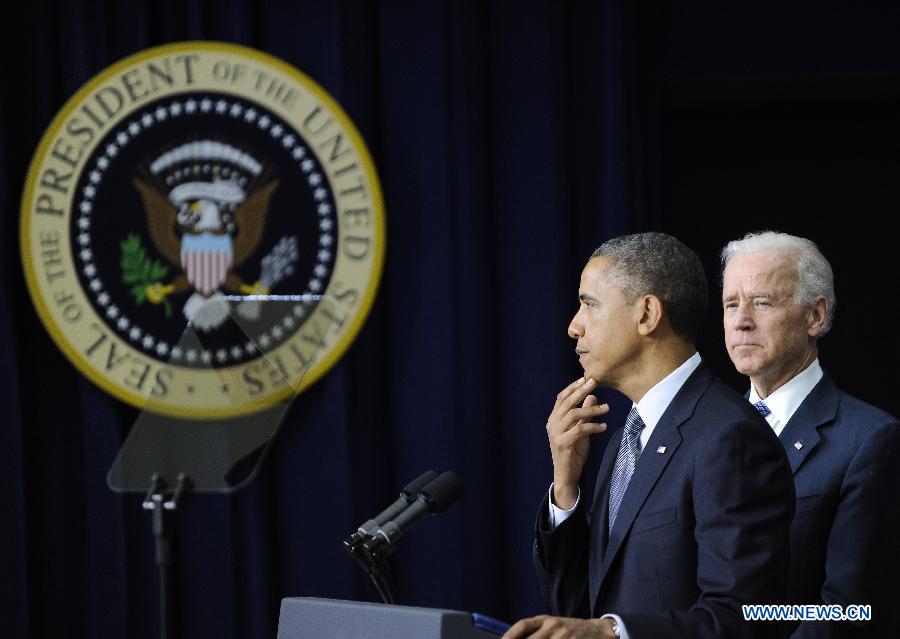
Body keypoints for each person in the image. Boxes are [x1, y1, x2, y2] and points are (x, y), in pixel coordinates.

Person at [503, 232, 794, 639]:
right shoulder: (625, 440)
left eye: (589, 304)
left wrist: (612, 633)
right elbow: (578, 612)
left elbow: (741, 619)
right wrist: (566, 486)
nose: (573, 327)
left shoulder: (730, 438)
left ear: (647, 315)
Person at [721, 231, 900, 638]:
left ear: (815, 316)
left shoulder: (869, 440)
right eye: (731, 304)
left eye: (762, 302)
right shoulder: (705, 429)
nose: (741, 320)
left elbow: (854, 611)